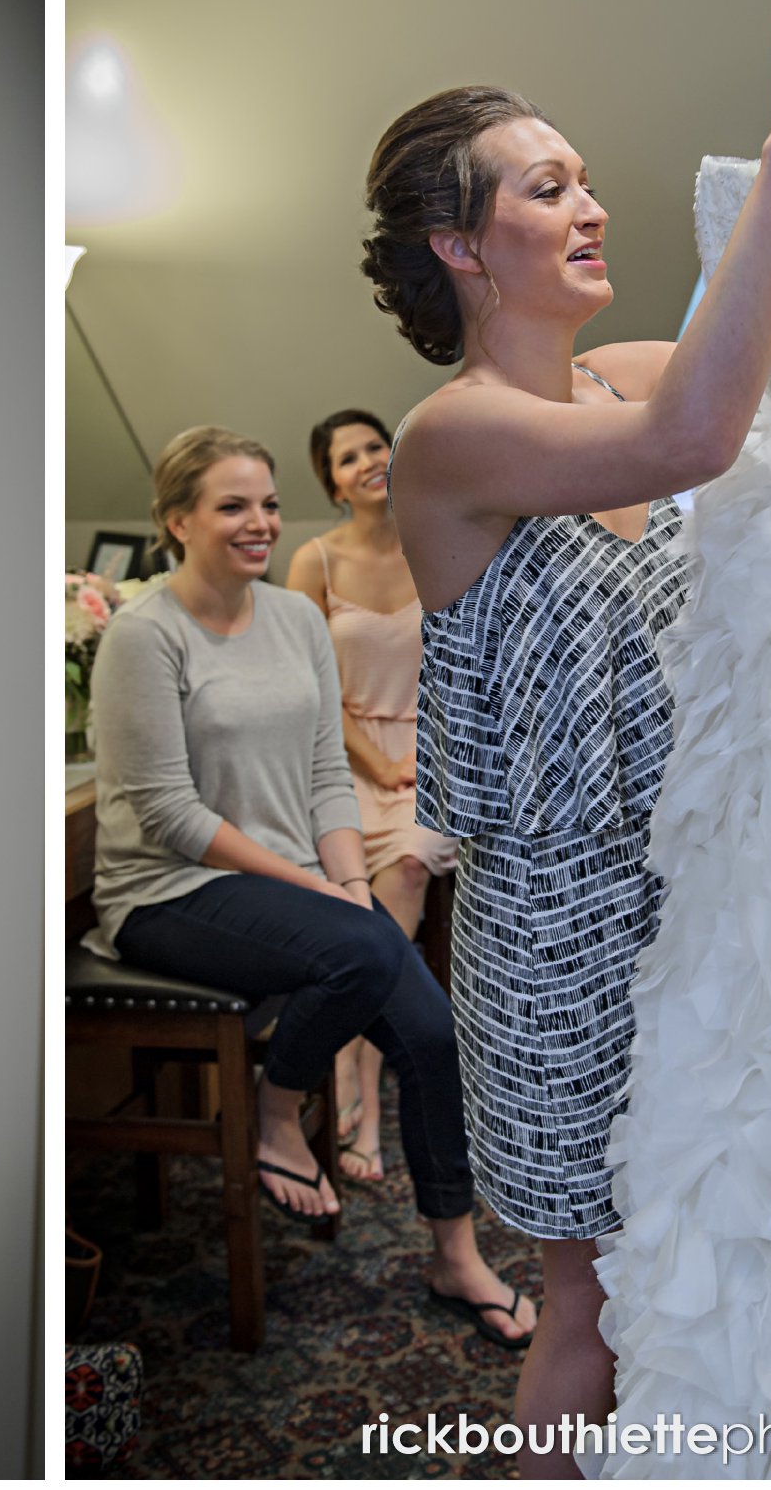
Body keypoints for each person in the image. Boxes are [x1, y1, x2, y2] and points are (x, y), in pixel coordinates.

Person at [372, 0, 771, 1472]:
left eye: (583, 177)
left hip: (698, 902)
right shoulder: (451, 439)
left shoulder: (613, 381)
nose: (589, 204)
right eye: (546, 189)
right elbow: (706, 429)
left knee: (709, 1255)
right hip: (556, 924)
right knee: (589, 1306)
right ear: (460, 246)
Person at [87, 425, 537, 1346]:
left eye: (267, 503)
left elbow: (330, 770)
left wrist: (338, 878)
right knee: (369, 943)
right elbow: (170, 815)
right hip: (168, 893)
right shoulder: (143, 635)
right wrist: (327, 896)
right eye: (231, 506)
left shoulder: (293, 618)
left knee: (430, 1029)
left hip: (289, 881)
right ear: (177, 521)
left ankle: (458, 1254)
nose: (259, 523)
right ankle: (279, 1110)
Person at [285, 410, 460, 1184]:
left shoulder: (436, 536)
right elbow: (306, 692)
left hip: (433, 756)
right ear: (330, 480)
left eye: (374, 446)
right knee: (359, 899)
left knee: (412, 867)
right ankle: (362, 1077)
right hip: (344, 760)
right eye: (347, 456)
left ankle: (357, 1071)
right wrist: (372, 762)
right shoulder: (311, 562)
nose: (367, 462)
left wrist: (426, 758)